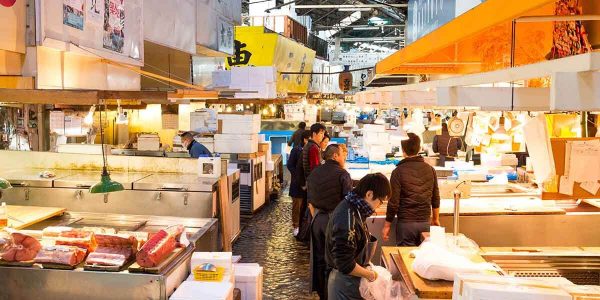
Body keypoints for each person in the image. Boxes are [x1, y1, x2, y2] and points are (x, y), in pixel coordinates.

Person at [326, 173, 391, 299]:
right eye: (380, 201)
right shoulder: (348, 217)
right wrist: (370, 275)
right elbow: (345, 263)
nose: (379, 206)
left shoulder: (355, 208)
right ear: (369, 194)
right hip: (344, 285)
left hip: (353, 282)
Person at [307, 144, 352, 300]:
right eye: (342, 155)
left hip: (317, 220)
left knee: (318, 258)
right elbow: (348, 201)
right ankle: (331, 293)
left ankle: (321, 293)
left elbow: (310, 201)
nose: (344, 158)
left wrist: (315, 217)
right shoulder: (343, 174)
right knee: (332, 260)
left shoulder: (314, 172)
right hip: (334, 221)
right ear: (335, 156)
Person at [382, 133, 440, 246]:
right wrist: (435, 219)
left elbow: (393, 202)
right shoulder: (430, 169)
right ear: (419, 149)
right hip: (425, 223)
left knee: (406, 259)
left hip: (406, 225)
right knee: (424, 260)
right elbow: (436, 197)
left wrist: (387, 225)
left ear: (403, 151)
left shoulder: (397, 172)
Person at [288, 130, 312, 237]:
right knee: (296, 206)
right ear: (305, 139)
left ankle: (303, 226)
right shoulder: (296, 150)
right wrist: (297, 177)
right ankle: (296, 226)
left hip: (307, 185)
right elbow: (290, 165)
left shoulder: (311, 150)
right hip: (297, 184)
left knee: (304, 206)